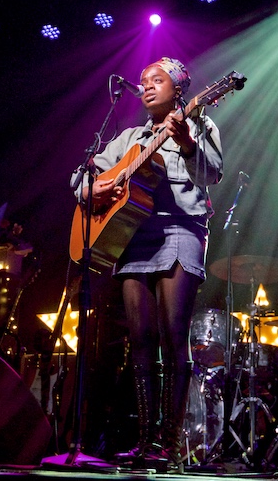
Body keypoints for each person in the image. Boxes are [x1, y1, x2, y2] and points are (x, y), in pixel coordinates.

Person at [78, 57, 223, 470]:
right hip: (132, 236)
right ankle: (145, 443)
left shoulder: (198, 123)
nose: (146, 86)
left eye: (156, 80)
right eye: (142, 82)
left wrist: (189, 145)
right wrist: (94, 188)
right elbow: (82, 178)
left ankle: (171, 444)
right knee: (139, 341)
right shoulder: (127, 138)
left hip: (180, 230)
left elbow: (213, 174)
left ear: (179, 87)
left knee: (173, 336)